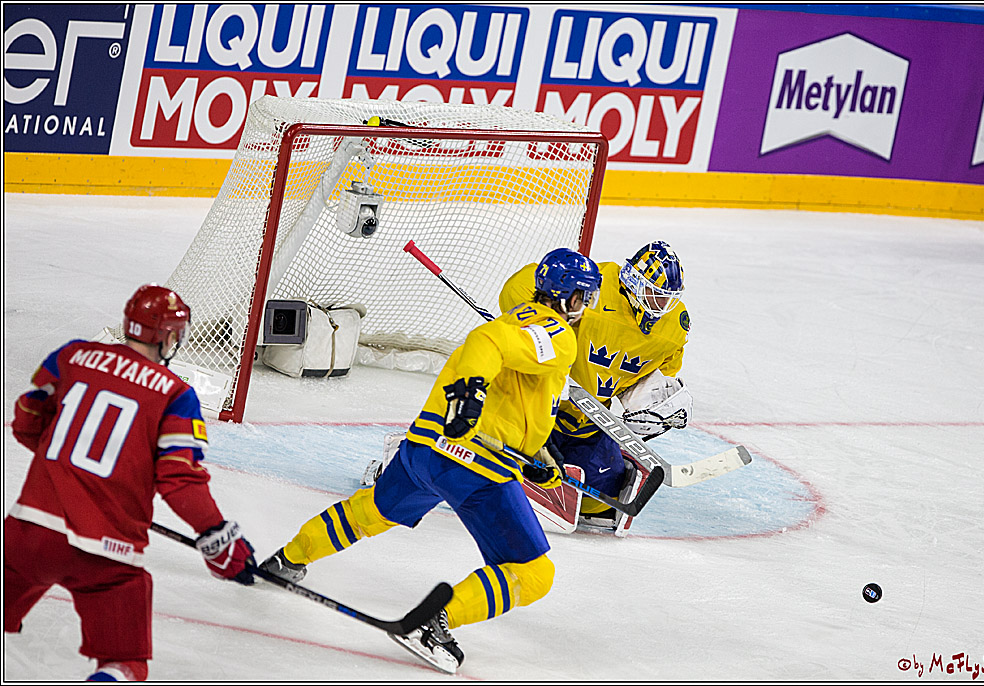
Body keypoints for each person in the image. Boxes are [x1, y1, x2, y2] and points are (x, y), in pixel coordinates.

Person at [257, 248, 602, 674]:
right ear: (566, 297)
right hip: (473, 469)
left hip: (424, 451)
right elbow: (485, 342)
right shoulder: (559, 335)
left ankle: (288, 559)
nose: (585, 308)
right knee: (533, 574)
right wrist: (471, 394)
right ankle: (434, 626)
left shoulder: (520, 318)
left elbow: (509, 388)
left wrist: (536, 456)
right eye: (582, 298)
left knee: (370, 512)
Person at [4, 284, 256, 682]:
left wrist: (66, 473)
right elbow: (180, 480)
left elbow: (26, 419)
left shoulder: (71, 357)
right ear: (171, 336)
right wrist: (218, 537)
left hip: (29, 530)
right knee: (124, 664)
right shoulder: (176, 394)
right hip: (109, 553)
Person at [498, 241, 692, 533]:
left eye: (667, 299)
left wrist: (654, 400)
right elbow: (517, 288)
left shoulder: (672, 326)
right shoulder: (593, 290)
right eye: (655, 296)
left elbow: (661, 370)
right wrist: (537, 325)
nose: (661, 306)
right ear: (634, 284)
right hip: (539, 403)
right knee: (504, 466)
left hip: (586, 421)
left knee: (599, 499)